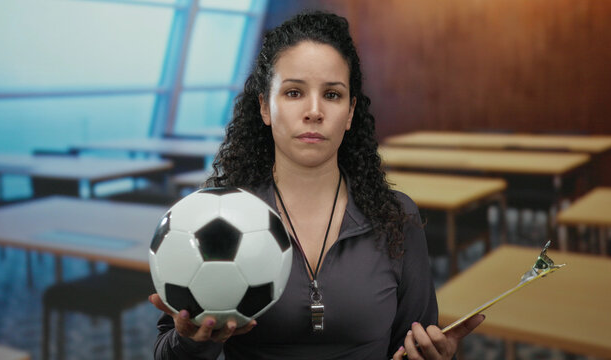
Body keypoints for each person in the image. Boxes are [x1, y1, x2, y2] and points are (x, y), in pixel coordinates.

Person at [149, 10, 484, 360]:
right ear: (265, 106)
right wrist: (195, 341)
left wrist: (436, 356)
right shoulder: (213, 220)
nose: (313, 111)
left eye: (333, 95)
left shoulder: (397, 217)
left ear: (351, 112)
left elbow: (413, 341)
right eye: (293, 93)